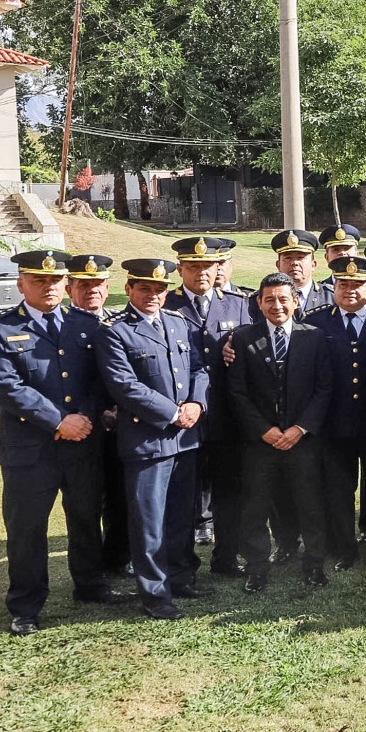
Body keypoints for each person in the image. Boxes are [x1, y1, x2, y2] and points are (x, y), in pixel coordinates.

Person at [0, 250, 128, 636]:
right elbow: (7, 389)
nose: (48, 287)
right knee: (27, 527)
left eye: (54, 280)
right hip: (30, 450)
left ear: (67, 283)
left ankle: (91, 585)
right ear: (21, 284)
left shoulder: (85, 325)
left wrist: (84, 415)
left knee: (84, 517)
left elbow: (100, 380)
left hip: (82, 443)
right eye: (38, 280)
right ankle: (26, 605)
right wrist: (59, 421)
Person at [96, 258, 210, 620]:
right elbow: (124, 386)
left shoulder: (177, 324)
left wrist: (196, 403)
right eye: (144, 288)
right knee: (148, 521)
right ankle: (154, 594)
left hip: (185, 439)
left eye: (159, 289)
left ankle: (180, 577)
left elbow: (198, 368)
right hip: (147, 442)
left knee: (180, 515)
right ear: (128, 289)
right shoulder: (115, 332)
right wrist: (173, 413)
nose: (153, 295)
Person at [227, 273, 333, 593]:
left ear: (296, 301)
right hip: (261, 442)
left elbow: (324, 388)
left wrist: (300, 429)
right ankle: (257, 568)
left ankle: (314, 565)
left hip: (302, 440)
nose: (277, 305)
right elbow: (238, 392)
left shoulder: (314, 337)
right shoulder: (244, 338)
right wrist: (265, 430)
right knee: (256, 507)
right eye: (269, 299)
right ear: (258, 302)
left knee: (310, 504)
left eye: (283, 298)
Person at [163, 236, 250, 576]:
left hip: (227, 416)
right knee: (183, 494)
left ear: (219, 268)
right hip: (183, 416)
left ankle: (226, 558)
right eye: (193, 266)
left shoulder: (239, 304)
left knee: (229, 490)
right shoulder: (167, 304)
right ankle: (182, 564)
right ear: (180, 269)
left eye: (207, 266)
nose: (201, 272)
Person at [305, 256, 366, 569]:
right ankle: (344, 549)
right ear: (334, 286)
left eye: (358, 284)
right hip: (334, 423)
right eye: (343, 284)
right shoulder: (315, 322)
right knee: (339, 489)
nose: (350, 291)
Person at [65, 254, 131, 576]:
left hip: (124, 426)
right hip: (84, 426)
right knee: (86, 503)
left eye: (97, 284)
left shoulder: (120, 321)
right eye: (83, 285)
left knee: (122, 496)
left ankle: (118, 558)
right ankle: (91, 571)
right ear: (69, 288)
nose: (91, 290)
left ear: (108, 287)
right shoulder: (62, 326)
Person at [263, 230, 328, 316]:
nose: (294, 263)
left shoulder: (331, 297)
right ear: (278, 265)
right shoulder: (262, 299)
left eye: (301, 257)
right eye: (288, 258)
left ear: (313, 265)